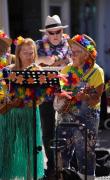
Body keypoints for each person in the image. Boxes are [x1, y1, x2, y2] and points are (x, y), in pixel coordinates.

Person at [54, 34, 104, 180]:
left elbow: (96, 99)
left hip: (87, 117)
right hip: (65, 116)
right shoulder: (66, 70)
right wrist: (59, 97)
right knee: (60, 153)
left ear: (87, 54)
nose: (72, 54)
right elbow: (59, 94)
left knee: (85, 155)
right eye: (71, 51)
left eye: (76, 52)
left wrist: (86, 97)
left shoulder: (96, 71)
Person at [0, 37, 44, 179]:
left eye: (31, 53)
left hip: (29, 114)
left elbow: (41, 99)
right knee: (9, 150)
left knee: (30, 150)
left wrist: (33, 97)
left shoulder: (39, 71)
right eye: (25, 52)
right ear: (18, 54)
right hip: (10, 115)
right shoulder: (7, 71)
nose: (29, 56)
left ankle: (30, 177)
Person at [36, 14, 72, 177]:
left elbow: (72, 63)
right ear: (46, 34)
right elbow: (35, 61)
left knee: (66, 131)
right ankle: (51, 166)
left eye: (58, 32)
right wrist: (51, 61)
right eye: (52, 33)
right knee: (48, 131)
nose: (55, 35)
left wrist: (52, 61)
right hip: (45, 96)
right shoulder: (38, 45)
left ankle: (65, 165)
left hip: (66, 95)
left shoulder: (69, 44)